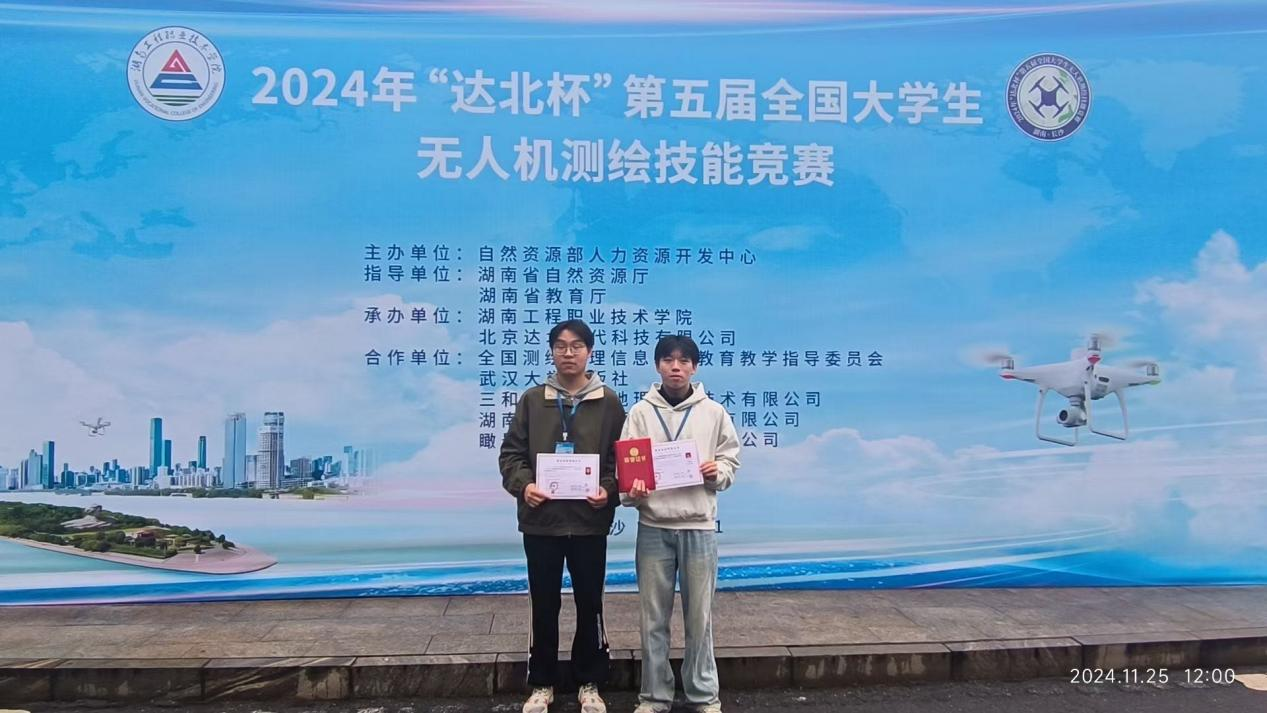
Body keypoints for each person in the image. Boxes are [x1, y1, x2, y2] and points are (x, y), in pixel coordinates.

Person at [500, 319, 627, 713]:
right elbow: (511, 455)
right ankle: (542, 683)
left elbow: (620, 458)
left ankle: (589, 681)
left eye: (576, 346)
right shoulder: (533, 400)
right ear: (552, 351)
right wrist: (525, 486)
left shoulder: (608, 402)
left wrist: (608, 489)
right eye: (560, 346)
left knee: (590, 603)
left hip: (589, 522)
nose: (568, 353)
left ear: (589, 351)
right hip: (542, 521)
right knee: (544, 604)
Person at [622, 335, 740, 713]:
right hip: (654, 526)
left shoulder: (713, 412)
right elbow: (627, 470)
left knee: (699, 619)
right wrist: (633, 490)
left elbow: (730, 459)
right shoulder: (640, 412)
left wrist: (717, 472)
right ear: (657, 365)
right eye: (668, 360)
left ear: (694, 367)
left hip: (699, 528)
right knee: (652, 618)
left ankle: (703, 696)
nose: (676, 367)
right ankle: (654, 697)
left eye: (684, 360)